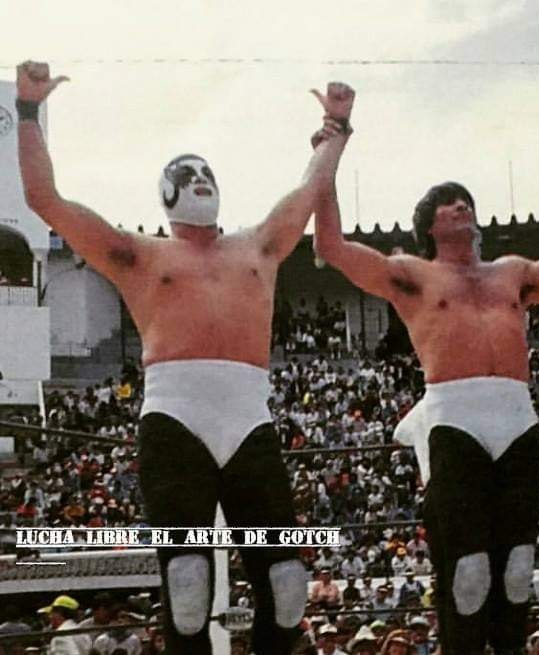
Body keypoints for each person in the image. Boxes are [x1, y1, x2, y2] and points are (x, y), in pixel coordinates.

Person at [16, 60, 352, 655]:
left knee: (287, 581)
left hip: (249, 416)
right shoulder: (139, 254)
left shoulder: (259, 245)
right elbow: (45, 199)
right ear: (168, 192)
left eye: (204, 172)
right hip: (176, 417)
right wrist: (27, 110)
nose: (198, 180)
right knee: (188, 582)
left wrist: (335, 128)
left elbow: (309, 190)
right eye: (186, 174)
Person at [312, 116, 539, 653]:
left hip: (517, 414)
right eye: (448, 203)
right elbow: (333, 246)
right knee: (469, 572)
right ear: (429, 225)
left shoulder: (512, 272)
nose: (461, 206)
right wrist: (330, 152)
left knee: (517, 569)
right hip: (455, 415)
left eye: (465, 201)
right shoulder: (413, 274)